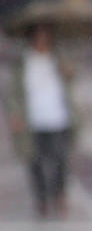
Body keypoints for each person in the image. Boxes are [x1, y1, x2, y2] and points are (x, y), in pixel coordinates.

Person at [4, 24, 78, 219]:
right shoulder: (23, 62)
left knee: (60, 158)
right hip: (33, 120)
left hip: (58, 117)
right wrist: (14, 114)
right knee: (34, 160)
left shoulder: (58, 58)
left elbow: (72, 77)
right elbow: (13, 92)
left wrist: (67, 69)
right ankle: (41, 198)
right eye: (38, 37)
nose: (41, 41)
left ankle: (59, 193)